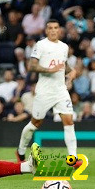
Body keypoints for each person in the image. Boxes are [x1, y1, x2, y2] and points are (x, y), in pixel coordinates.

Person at [16, 19, 82, 168]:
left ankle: (73, 158)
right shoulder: (41, 45)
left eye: (56, 27)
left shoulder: (64, 47)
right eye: (50, 28)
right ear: (46, 31)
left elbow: (63, 64)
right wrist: (48, 70)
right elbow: (31, 66)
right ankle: (20, 150)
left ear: (59, 30)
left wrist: (72, 72)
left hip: (60, 91)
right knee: (35, 124)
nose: (53, 30)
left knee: (69, 121)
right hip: (44, 91)